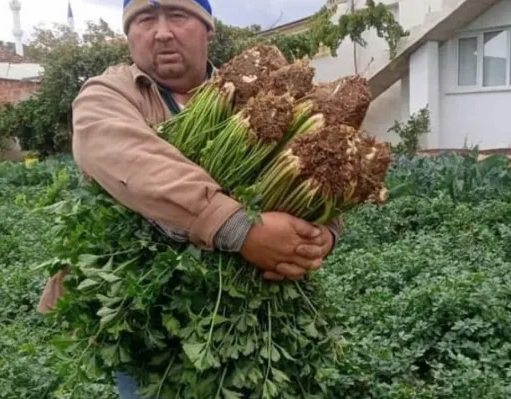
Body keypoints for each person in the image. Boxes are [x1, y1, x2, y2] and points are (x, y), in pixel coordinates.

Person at [37, 0, 344, 397]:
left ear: (208, 30)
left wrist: (323, 232)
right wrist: (241, 230)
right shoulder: (108, 94)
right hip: (146, 317)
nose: (162, 32)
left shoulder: (262, 96)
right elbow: (132, 161)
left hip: (248, 317)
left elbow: (322, 165)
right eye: (146, 19)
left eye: (178, 16)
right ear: (129, 35)